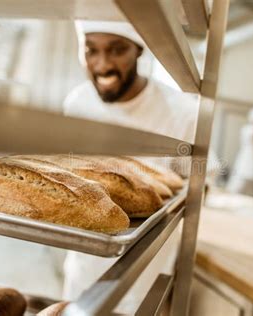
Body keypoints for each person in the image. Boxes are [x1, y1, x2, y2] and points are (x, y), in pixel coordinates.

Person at [62, 20, 209, 314]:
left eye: (117, 50)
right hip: (84, 263)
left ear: (138, 51)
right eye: (91, 50)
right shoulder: (78, 102)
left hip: (146, 270)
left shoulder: (181, 111)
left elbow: (208, 175)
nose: (102, 64)